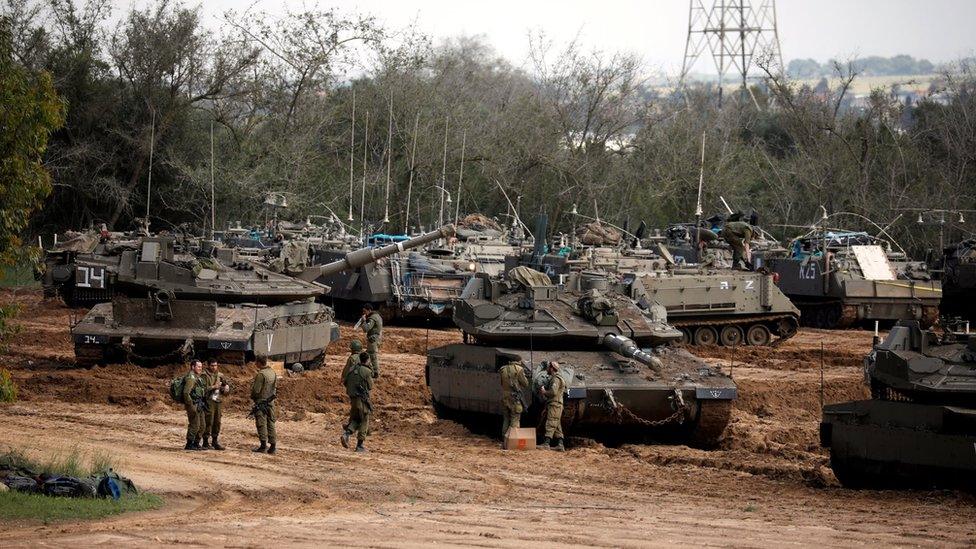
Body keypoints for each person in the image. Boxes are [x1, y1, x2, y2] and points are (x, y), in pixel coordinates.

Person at [341, 351, 374, 453]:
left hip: (353, 398)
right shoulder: (366, 371)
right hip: (362, 399)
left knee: (356, 418)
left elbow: (346, 381)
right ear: (367, 360)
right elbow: (370, 386)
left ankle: (347, 434)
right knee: (364, 419)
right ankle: (359, 446)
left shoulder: (352, 369)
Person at [250, 357, 277, 454]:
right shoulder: (272, 372)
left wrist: (253, 398)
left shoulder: (261, 375)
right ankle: (273, 446)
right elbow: (275, 387)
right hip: (271, 402)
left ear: (258, 363)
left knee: (261, 423)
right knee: (271, 423)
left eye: (256, 362)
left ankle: (263, 445)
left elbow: (256, 391)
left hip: (261, 402)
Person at [200, 360, 230, 450]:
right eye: (212, 365)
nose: (214, 367)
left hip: (218, 400)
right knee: (209, 421)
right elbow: (201, 389)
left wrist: (226, 388)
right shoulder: (204, 376)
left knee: (217, 422)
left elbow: (226, 387)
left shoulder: (220, 375)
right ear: (208, 366)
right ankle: (205, 441)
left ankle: (215, 441)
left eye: (215, 365)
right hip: (208, 401)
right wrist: (213, 387)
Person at [537, 361, 566, 452]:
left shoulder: (556, 379)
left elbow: (553, 392)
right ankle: (560, 445)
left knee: (551, 422)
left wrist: (544, 392)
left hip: (555, 404)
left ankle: (546, 443)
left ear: (552, 368)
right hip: (555, 404)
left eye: (548, 367)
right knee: (556, 424)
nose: (547, 369)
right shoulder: (555, 378)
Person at [499, 360, 528, 443]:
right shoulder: (519, 369)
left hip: (505, 397)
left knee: (506, 419)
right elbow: (525, 384)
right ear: (518, 361)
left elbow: (502, 383)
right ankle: (512, 441)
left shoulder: (503, 369)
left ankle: (504, 440)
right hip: (514, 398)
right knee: (515, 419)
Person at [182, 360, 206, 451]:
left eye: (201, 367)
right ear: (192, 367)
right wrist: (191, 406)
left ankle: (196, 443)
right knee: (195, 425)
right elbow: (186, 393)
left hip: (199, 404)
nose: (200, 368)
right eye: (198, 367)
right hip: (193, 404)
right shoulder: (191, 378)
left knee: (202, 425)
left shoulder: (197, 377)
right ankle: (189, 443)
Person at [359, 304, 383, 378]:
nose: (364, 313)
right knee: (371, 355)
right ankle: (372, 371)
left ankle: (375, 373)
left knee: (372, 356)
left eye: (365, 311)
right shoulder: (377, 316)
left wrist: (363, 321)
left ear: (369, 310)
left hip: (372, 340)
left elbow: (366, 328)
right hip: (376, 338)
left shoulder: (372, 318)